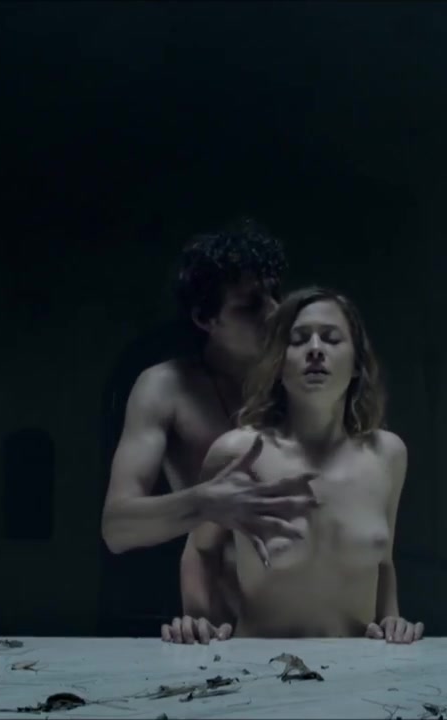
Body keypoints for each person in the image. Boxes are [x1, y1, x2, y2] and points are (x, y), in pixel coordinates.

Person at [100, 218, 320, 635]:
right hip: (218, 625)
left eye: (275, 295)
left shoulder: (307, 380)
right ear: (205, 318)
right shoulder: (165, 387)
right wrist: (209, 502)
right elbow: (117, 528)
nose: (275, 312)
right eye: (250, 304)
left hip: (314, 616)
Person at [168, 287, 424, 644]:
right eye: (299, 340)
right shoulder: (238, 453)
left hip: (361, 667)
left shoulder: (388, 455)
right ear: (278, 363)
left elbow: (383, 562)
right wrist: (199, 623)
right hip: (259, 665)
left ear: (356, 364)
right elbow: (200, 549)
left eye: (331, 339)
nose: (315, 349)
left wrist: (393, 625)